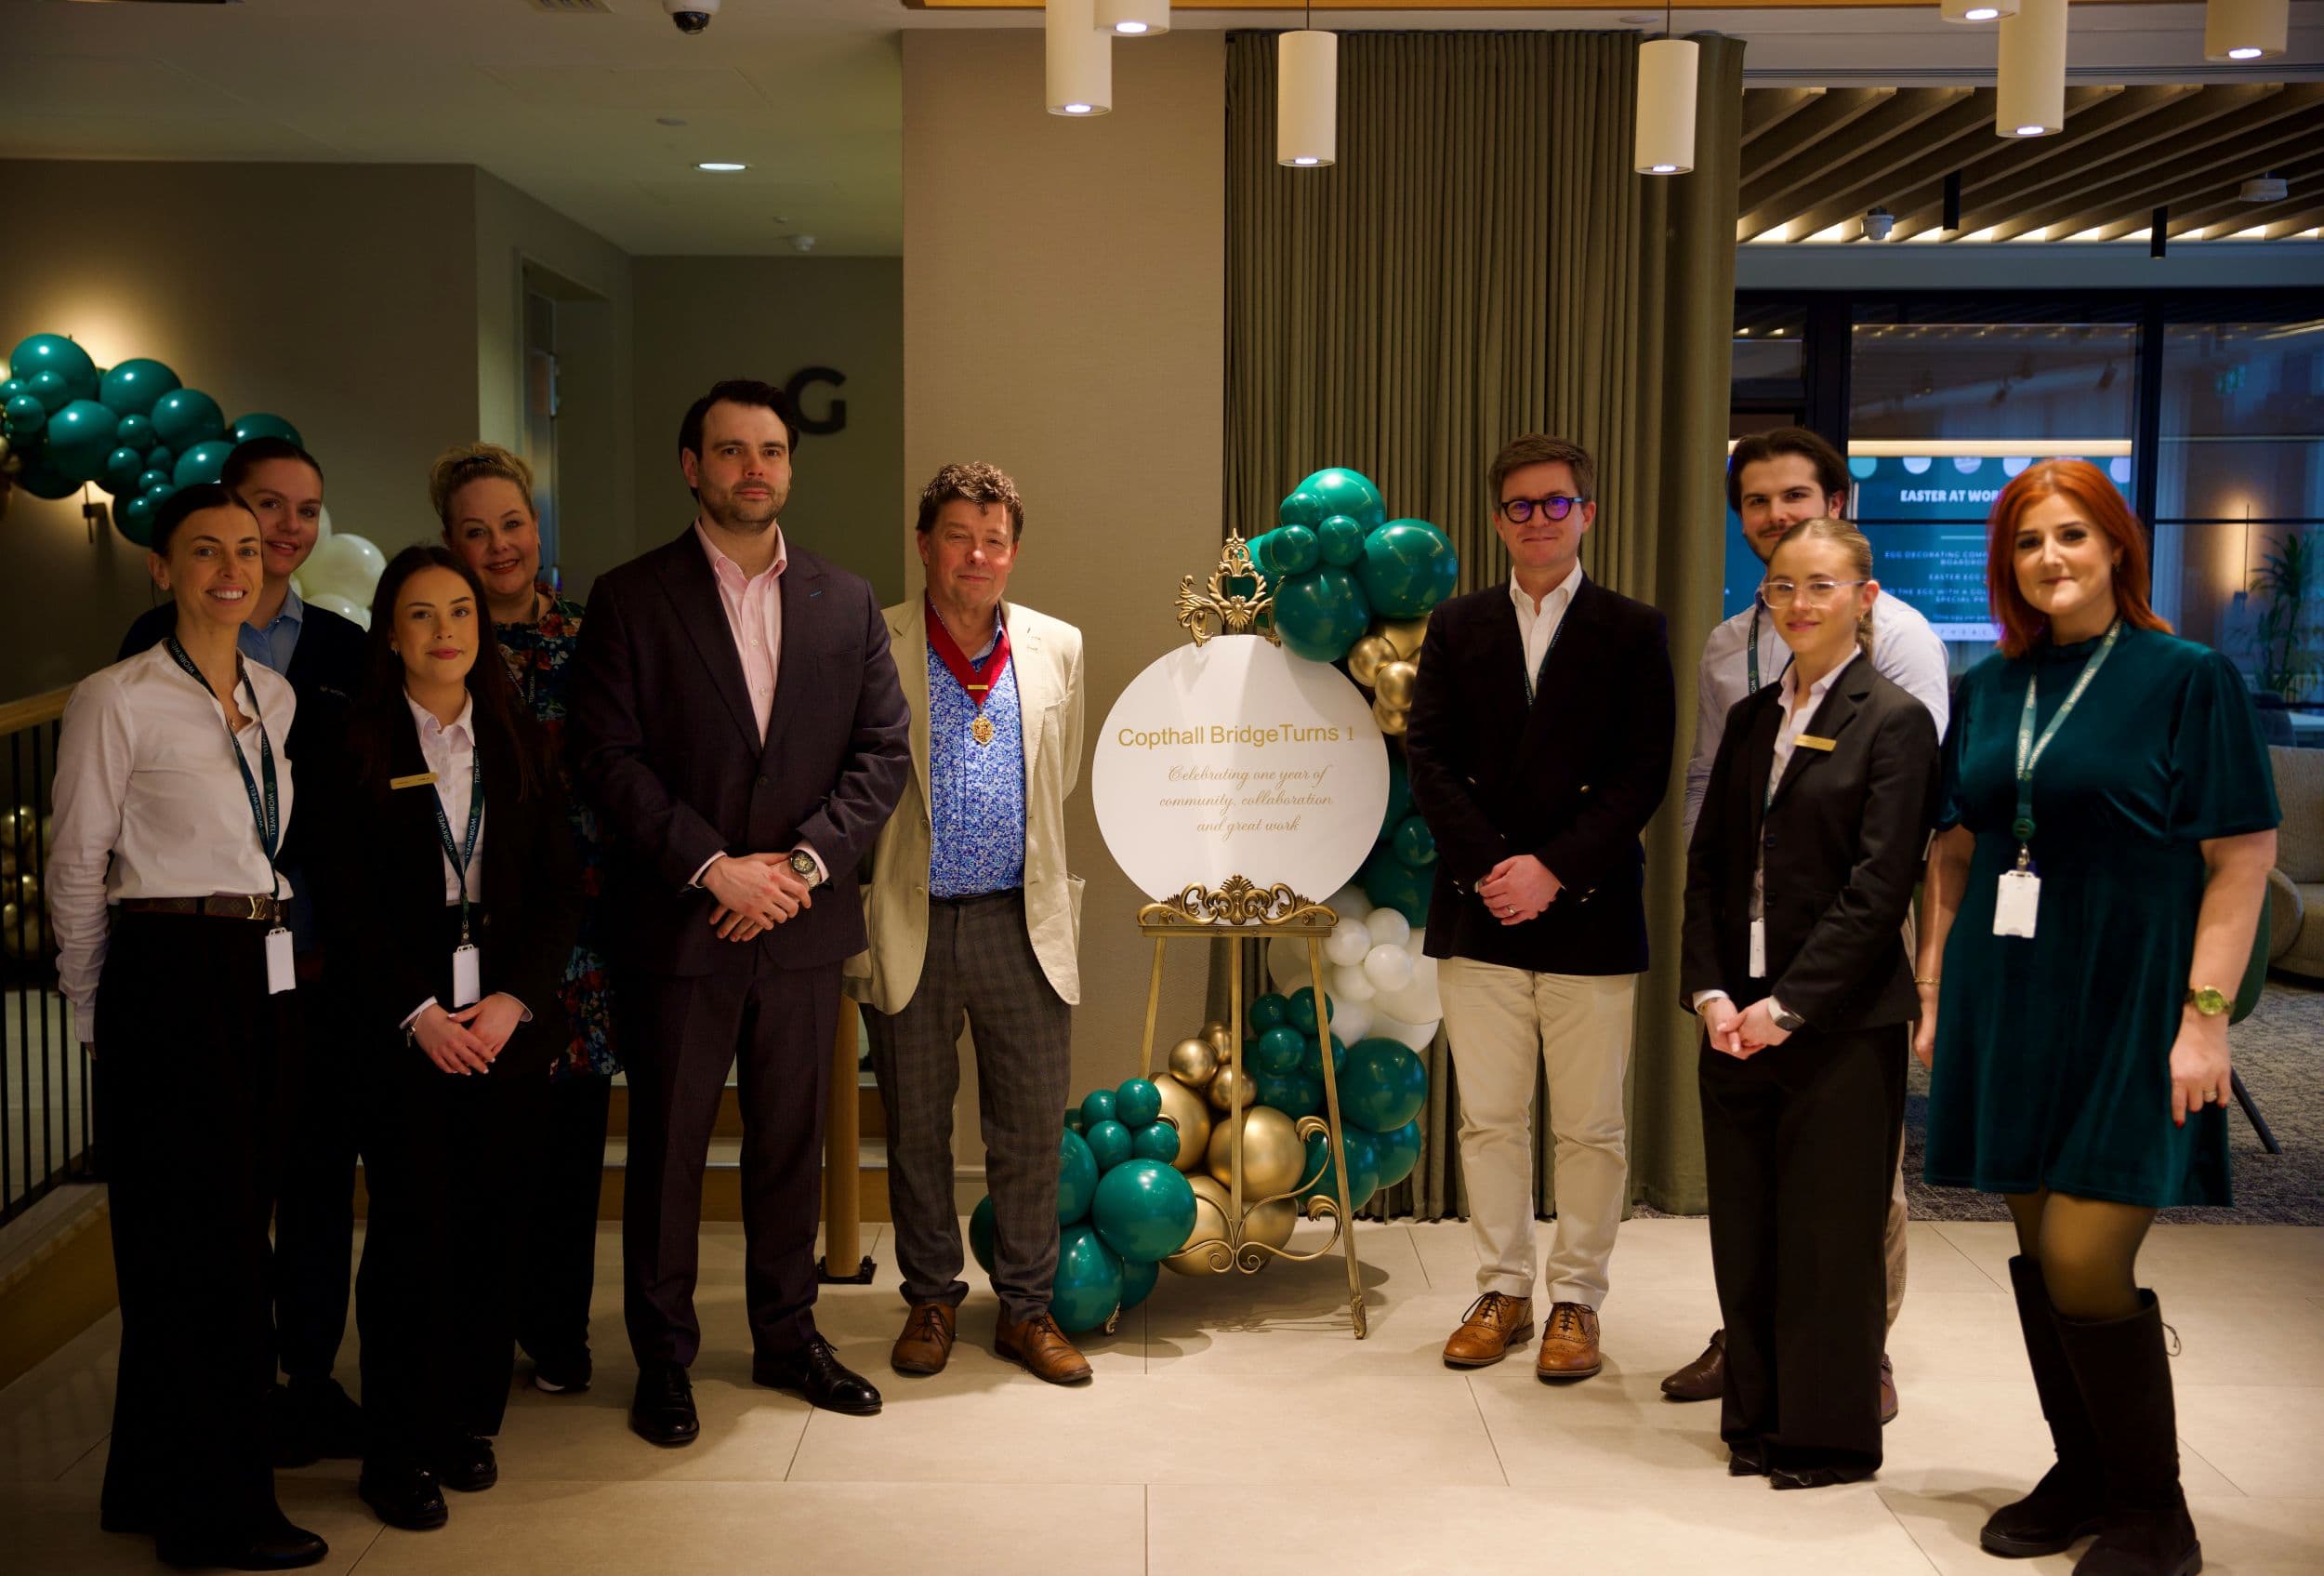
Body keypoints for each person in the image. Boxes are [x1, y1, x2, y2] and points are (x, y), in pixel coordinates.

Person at [1919, 460, 2277, 1576]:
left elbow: (2240, 859)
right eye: (2027, 544)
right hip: (2008, 993)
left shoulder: (2187, 679)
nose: (2049, 561)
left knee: (2084, 1255)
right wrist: (1935, 991)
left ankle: (2154, 1510)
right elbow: (1956, 848)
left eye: (2070, 536)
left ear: (2117, 545)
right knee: (2034, 1240)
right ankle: (2084, 1472)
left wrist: (2204, 1020)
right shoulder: (1988, 690)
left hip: (2133, 1001)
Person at [569, 377, 910, 1445]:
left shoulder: (845, 601)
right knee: (667, 1153)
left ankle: (786, 1337)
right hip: (682, 924)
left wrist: (801, 867)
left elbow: (881, 754)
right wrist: (714, 868)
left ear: (791, 470)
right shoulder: (630, 598)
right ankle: (662, 1361)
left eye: (769, 451)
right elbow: (606, 759)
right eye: (729, 451)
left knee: (790, 1143)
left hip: (801, 926)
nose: (752, 469)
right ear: (691, 466)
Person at [54, 485, 327, 1569]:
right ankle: (218, 1511)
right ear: (161, 570)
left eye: (250, 551)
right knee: (198, 1253)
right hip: (165, 972)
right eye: (205, 550)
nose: (233, 567)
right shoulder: (113, 698)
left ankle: (146, 1480)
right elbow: (76, 864)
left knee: (226, 1233)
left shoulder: (274, 694)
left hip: (257, 968)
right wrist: (92, 1010)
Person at [1665, 427, 1951, 1419]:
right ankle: (1762, 1350)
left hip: (1840, 956)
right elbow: (1711, 794)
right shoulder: (1726, 648)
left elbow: (1892, 837)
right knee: (1759, 1192)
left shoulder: (1902, 642)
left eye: (1795, 497)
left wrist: (1800, 993)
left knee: (1853, 1192)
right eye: (1757, 504)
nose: (1776, 517)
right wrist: (1716, 968)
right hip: (1746, 948)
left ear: (1839, 505)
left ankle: (1855, 1353)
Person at [311, 546, 579, 1531]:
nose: (444, 631)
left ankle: (466, 1423)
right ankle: (396, 1449)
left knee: (494, 1228)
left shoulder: (517, 739)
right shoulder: (353, 740)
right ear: (391, 632)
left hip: (503, 1025)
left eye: (459, 611)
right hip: (402, 1030)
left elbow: (557, 890)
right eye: (420, 615)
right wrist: (420, 1013)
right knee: (411, 1237)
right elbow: (343, 901)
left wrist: (514, 998)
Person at [118, 437, 370, 1463]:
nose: (287, 531)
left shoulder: (345, 653)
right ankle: (230, 1387)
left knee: (315, 1180)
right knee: (221, 1195)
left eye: (306, 511)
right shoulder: (146, 651)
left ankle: (306, 1377)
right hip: (209, 962)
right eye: (269, 507)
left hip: (314, 955)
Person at [1406, 433, 1676, 1382]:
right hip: (1479, 907)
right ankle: (1503, 1289)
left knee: (1590, 1127)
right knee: (1488, 1119)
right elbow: (1428, 758)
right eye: (1518, 505)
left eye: (1554, 503)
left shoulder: (1633, 629)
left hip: (1591, 906)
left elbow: (1644, 771)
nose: (1536, 519)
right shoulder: (1457, 625)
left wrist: (1551, 870)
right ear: (1497, 520)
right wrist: (1496, 868)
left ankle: (1576, 1301)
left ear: (1586, 514)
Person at [845, 462, 1090, 1384]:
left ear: (1013, 551)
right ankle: (931, 1299)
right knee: (914, 1129)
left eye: (993, 540)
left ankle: (1027, 1310)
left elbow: (1055, 784)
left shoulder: (1057, 645)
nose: (976, 555)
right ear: (924, 545)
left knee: (1028, 1131)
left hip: (1018, 922)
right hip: (910, 919)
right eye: (957, 536)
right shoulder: (876, 641)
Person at [434, 441, 618, 1397]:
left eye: (512, 523)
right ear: (450, 543)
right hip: (481, 928)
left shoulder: (596, 635)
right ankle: (477, 1328)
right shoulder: (442, 651)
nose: (499, 545)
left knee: (571, 1142)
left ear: (534, 528)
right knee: (483, 1145)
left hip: (584, 926)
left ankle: (558, 1331)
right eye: (476, 530)